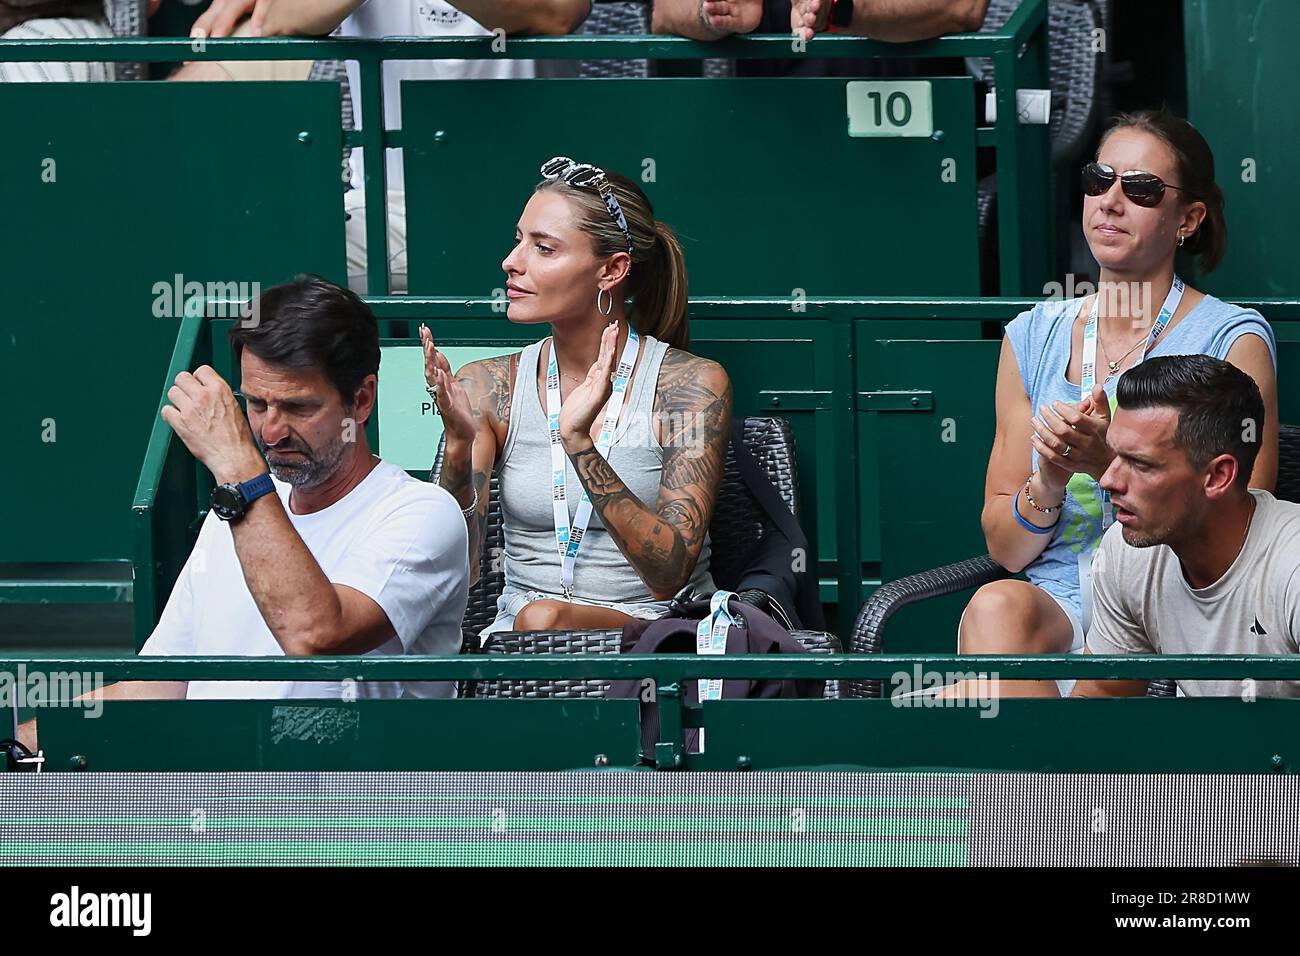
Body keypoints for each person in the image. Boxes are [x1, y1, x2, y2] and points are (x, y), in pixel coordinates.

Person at [18, 276, 469, 750]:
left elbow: (316, 634)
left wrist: (238, 469)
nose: (271, 430)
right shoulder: (235, 509)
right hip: (210, 802)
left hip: (346, 810)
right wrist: (26, 741)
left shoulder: (420, 513)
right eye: (256, 403)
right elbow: (159, 685)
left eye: (298, 407)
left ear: (361, 399)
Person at [959, 109, 1279, 697]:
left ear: (1188, 219)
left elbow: (1243, 518)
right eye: (1098, 179)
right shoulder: (1032, 334)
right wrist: (1050, 481)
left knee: (973, 711)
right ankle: (1031, 778)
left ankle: (1011, 781)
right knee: (995, 606)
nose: (1109, 200)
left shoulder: (1231, 338)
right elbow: (1004, 547)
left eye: (1141, 189)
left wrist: (1104, 461)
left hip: (1166, 598)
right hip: (1060, 596)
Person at [423, 157, 732, 638]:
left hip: (658, 636)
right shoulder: (487, 385)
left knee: (544, 619)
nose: (512, 261)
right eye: (518, 239)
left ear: (611, 270)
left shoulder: (688, 385)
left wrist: (578, 440)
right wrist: (459, 447)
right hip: (520, 641)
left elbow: (669, 574)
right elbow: (454, 568)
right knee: (538, 620)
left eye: (543, 248)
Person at [189, 0, 591, 292]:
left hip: (533, 211)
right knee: (263, 272)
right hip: (389, 207)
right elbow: (277, 19)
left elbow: (557, 12)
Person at [1073, 355, 1300, 699]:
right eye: (1115, 455)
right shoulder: (1125, 550)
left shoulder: (1292, 570)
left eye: (1140, 464)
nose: (1108, 480)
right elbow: (1103, 701)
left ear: (1218, 476)